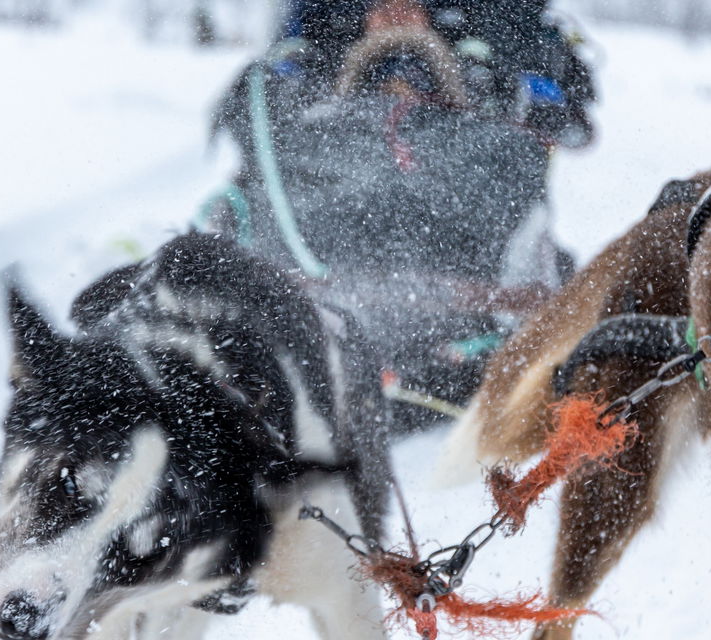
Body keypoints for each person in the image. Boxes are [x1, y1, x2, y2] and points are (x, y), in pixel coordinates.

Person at [200, 0, 598, 429]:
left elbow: (562, 112)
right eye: (382, 8)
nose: (395, 16)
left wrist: (515, 89)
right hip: (331, 285)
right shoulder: (309, 59)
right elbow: (260, 106)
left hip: (463, 315)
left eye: (409, 7)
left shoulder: (492, 49)